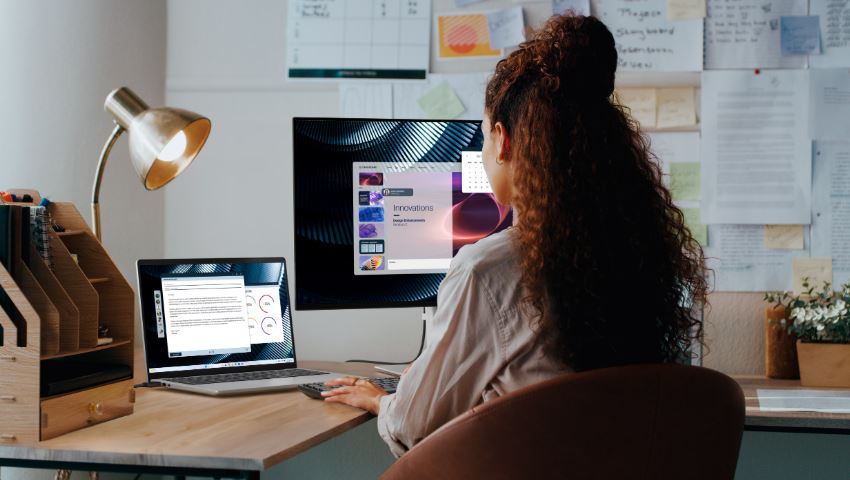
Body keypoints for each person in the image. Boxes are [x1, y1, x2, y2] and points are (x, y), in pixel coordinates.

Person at [321, 14, 708, 457]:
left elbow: (413, 427)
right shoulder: (638, 254)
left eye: (484, 138)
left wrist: (383, 400)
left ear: (503, 141)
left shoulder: (487, 269)